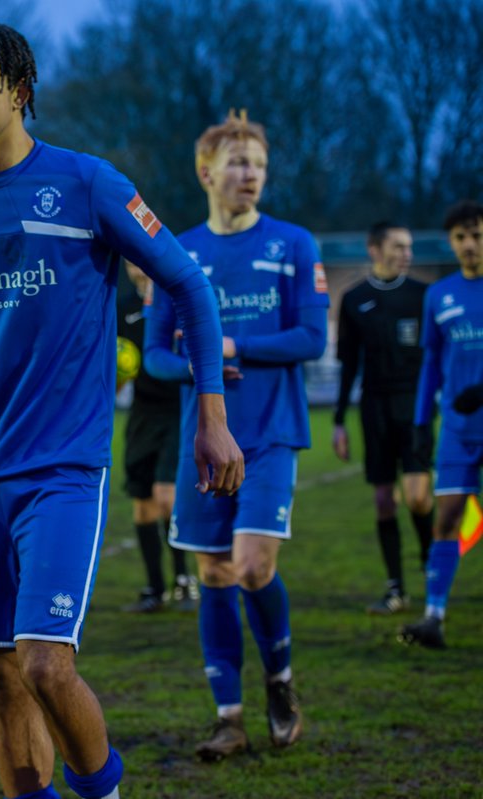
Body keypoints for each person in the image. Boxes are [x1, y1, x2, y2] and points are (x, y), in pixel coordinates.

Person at [0, 21, 242, 799]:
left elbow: (189, 284)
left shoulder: (87, 183)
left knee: (47, 663)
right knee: (0, 676)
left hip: (62, 468)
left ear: (19, 92)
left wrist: (212, 414)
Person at [146, 111, 328, 762]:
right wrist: (199, 363)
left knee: (252, 564)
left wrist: (233, 344)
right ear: (206, 172)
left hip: (272, 433)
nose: (251, 174)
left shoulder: (294, 244)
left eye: (258, 163)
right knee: (214, 570)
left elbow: (312, 338)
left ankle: (279, 680)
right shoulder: (178, 250)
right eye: (238, 162)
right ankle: (229, 716)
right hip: (206, 438)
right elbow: (154, 355)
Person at [333, 222, 433, 615]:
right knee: (383, 501)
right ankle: (396, 587)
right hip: (373, 407)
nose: (406, 253)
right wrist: (339, 420)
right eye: (398, 246)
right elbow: (347, 365)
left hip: (415, 405)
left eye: (409, 246)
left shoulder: (424, 296)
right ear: (374, 249)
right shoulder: (355, 299)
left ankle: (430, 566)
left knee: (418, 496)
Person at [399, 199, 483, 650]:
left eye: (477, 235)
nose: (469, 245)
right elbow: (432, 361)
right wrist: (420, 421)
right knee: (446, 516)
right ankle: (434, 615)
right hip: (457, 428)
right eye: (461, 238)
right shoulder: (440, 294)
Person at [118, 261, 198, 613]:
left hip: (176, 410)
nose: (141, 267)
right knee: (143, 503)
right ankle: (154, 587)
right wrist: (119, 372)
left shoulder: (175, 303)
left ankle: (183, 579)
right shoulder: (120, 309)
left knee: (167, 496)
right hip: (141, 415)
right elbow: (116, 375)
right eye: (132, 261)